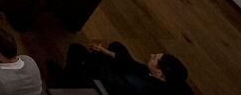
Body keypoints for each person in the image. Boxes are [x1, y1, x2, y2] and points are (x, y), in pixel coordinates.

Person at [57, 42, 190, 95]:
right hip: (125, 78)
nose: (151, 55)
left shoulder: (141, 86)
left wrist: (99, 56)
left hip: (113, 86)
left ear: (159, 73)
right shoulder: (176, 82)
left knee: (76, 49)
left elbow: (110, 79)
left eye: (155, 58)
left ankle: (66, 82)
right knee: (116, 46)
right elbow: (135, 66)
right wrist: (105, 52)